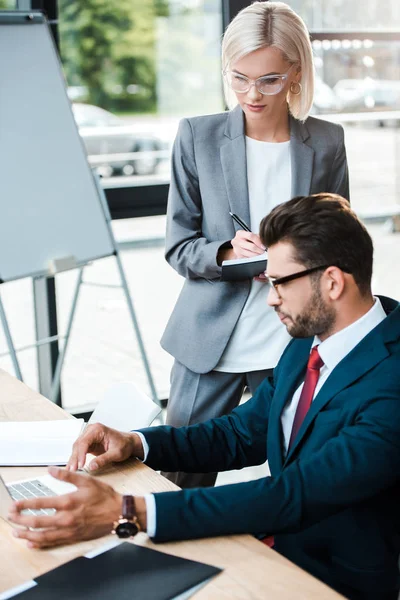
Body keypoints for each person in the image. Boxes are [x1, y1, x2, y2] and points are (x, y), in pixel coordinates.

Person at [9, 193, 400, 600]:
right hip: (264, 548)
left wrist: (129, 511)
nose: (270, 298)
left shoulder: (392, 379)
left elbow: (293, 494)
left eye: (280, 282)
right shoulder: (311, 341)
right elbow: (240, 433)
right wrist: (137, 442)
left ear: (333, 282)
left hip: (328, 581)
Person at [161, 1, 349, 489]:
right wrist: (224, 251)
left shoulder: (326, 142)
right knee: (183, 470)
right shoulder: (197, 137)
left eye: (268, 79)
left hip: (291, 334)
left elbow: (339, 243)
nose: (251, 93)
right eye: (238, 77)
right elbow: (179, 246)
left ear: (296, 72)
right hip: (209, 338)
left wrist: (298, 259)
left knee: (302, 471)